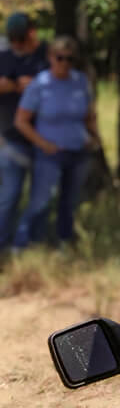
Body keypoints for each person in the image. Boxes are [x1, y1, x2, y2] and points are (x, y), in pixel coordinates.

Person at [12, 36, 99, 251]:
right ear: (51, 57)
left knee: (69, 201)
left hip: (78, 150)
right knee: (41, 200)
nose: (64, 63)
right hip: (50, 153)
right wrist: (43, 144)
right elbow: (21, 121)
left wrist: (94, 138)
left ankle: (62, 241)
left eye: (70, 59)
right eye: (60, 58)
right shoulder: (40, 84)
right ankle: (23, 242)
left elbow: (89, 115)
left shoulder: (80, 81)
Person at [0, 13, 49, 249]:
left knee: (42, 198)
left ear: (32, 33)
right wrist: (9, 85)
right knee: (10, 195)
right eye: (12, 39)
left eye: (20, 39)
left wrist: (37, 84)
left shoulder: (47, 55)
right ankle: (2, 243)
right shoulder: (4, 56)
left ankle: (33, 243)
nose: (16, 44)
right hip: (13, 139)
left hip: (46, 139)